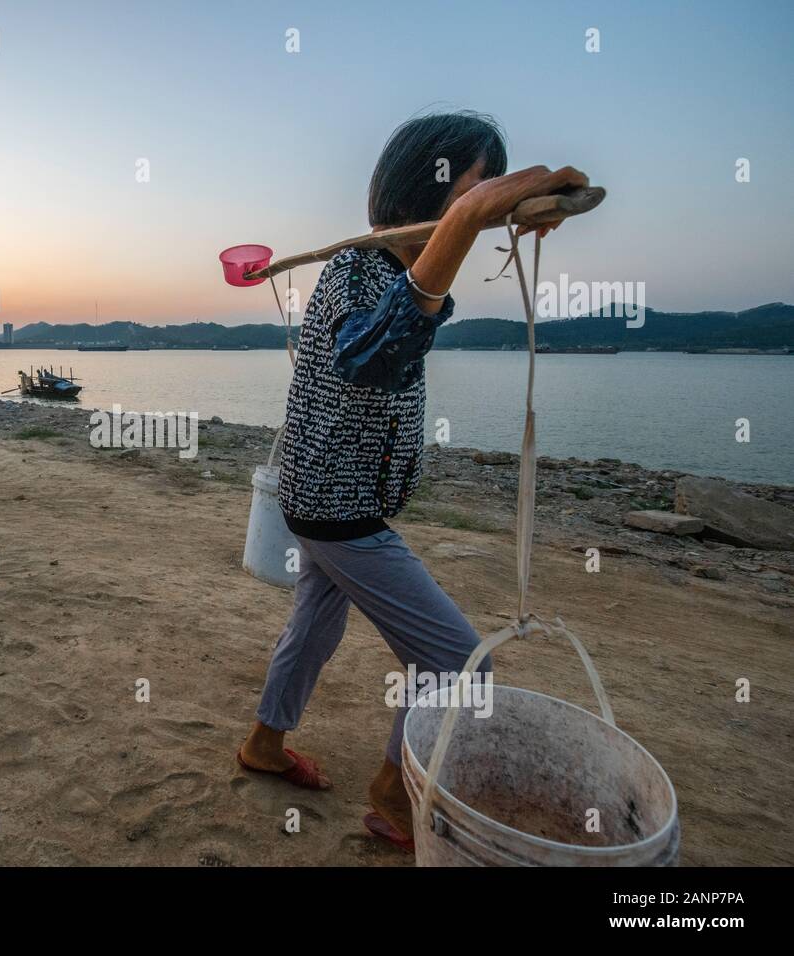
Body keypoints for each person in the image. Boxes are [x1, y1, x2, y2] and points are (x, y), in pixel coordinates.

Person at [236, 111, 588, 852]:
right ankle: (397, 793)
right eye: (474, 185)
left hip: (325, 500)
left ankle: (264, 745)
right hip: (338, 512)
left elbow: (396, 337)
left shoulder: (393, 270)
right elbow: (373, 357)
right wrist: (466, 220)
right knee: (461, 663)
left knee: (313, 626)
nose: (484, 201)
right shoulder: (359, 271)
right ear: (420, 185)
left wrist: (502, 209)